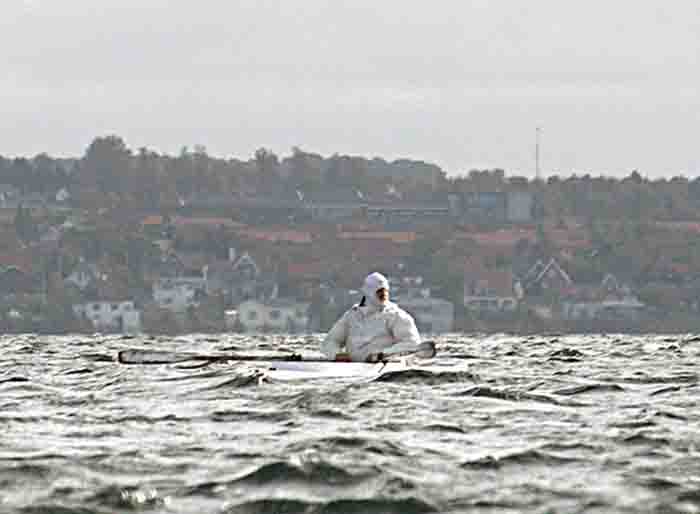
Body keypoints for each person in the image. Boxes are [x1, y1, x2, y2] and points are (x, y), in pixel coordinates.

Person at [320, 271, 423, 362]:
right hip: (351, 369)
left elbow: (412, 343)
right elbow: (330, 342)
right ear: (368, 293)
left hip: (383, 367)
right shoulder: (351, 315)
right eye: (379, 291)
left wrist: (382, 354)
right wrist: (337, 354)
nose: (383, 295)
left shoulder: (397, 316)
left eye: (385, 291)